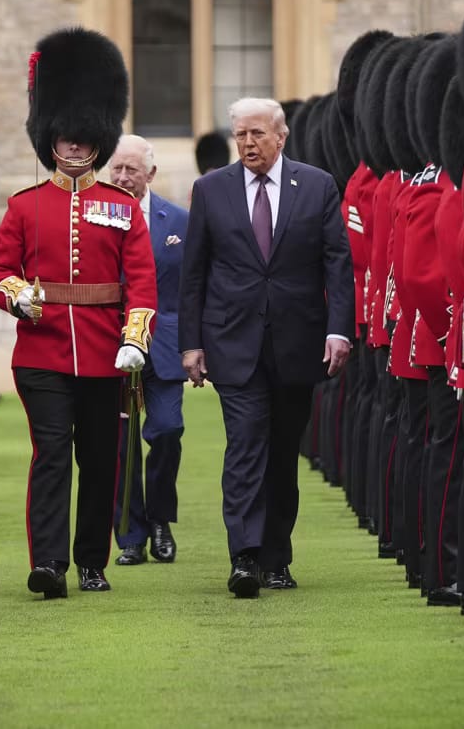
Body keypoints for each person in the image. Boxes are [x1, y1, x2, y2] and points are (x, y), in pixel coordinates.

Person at [0, 27, 158, 597]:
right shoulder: (25, 207)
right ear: (50, 137)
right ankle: (50, 563)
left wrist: (135, 337)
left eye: (85, 138)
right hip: (43, 352)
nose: (76, 145)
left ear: (98, 140)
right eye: (66, 136)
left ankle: (92, 562)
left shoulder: (122, 208)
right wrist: (21, 296)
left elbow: (141, 283)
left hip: (107, 354)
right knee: (53, 457)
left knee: (101, 462)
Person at [178, 97, 353, 597]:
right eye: (240, 135)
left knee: (281, 455)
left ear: (281, 136)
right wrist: (190, 343)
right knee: (245, 448)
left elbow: (336, 264)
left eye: (257, 134)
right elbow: (194, 274)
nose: (248, 144)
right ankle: (245, 557)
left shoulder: (317, 186)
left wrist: (339, 330)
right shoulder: (211, 190)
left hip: (297, 344)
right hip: (233, 343)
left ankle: (277, 557)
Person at [109, 135, 190, 565]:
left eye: (132, 170)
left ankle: (160, 518)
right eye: (117, 169)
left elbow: (193, 289)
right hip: (109, 345)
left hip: (165, 347)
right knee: (119, 444)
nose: (123, 178)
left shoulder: (179, 221)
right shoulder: (93, 219)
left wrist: (197, 345)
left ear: (151, 175)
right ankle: (131, 536)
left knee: (166, 431)